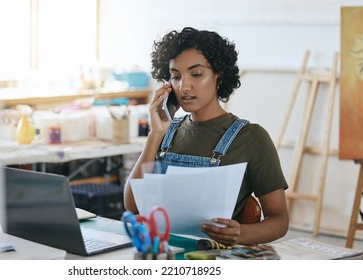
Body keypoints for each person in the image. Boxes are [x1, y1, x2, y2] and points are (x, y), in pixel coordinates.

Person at [123, 27, 289, 246]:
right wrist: (155, 134)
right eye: (175, 76)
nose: (184, 86)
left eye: (196, 74)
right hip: (162, 253)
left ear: (218, 75)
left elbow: (280, 220)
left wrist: (242, 234)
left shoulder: (251, 138)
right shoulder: (165, 132)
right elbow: (132, 205)